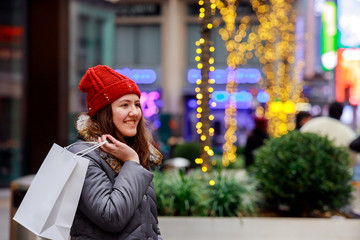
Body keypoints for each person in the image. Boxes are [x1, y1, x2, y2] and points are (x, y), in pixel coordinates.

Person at [67, 65, 163, 240]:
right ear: (104, 112)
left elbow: (149, 226)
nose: (134, 112)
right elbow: (111, 216)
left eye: (136, 104)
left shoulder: (133, 152)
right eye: (124, 105)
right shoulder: (84, 156)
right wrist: (132, 162)